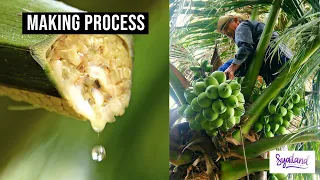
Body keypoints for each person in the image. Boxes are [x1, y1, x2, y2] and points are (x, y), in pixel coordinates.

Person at [215, 13, 293, 85]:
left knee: (223, 69)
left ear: (236, 20)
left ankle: (214, 84)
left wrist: (232, 68)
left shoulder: (242, 26)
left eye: (225, 28)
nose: (226, 33)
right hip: (284, 60)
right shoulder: (254, 26)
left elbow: (246, 48)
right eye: (224, 33)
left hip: (273, 55)